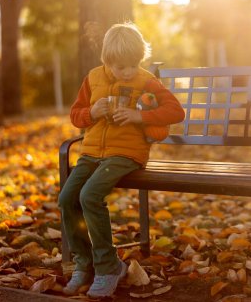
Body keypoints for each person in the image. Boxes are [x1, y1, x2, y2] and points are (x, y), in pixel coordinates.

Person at [59, 22, 185, 298]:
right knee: (67, 198)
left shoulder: (146, 81)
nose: (128, 72)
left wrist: (140, 116)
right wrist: (92, 111)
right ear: (107, 60)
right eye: (121, 67)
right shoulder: (92, 78)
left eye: (133, 65)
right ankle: (84, 264)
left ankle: (108, 267)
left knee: (90, 196)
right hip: (91, 152)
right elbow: (76, 114)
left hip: (127, 153)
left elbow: (176, 111)